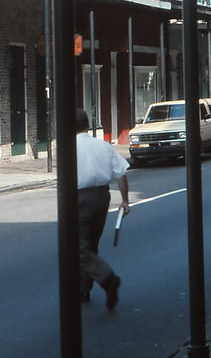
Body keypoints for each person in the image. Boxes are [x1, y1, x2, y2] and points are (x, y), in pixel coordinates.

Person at [75, 108, 130, 309]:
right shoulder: (103, 146)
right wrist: (124, 200)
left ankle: (107, 278)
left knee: (77, 247)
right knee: (90, 244)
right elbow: (121, 174)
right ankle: (83, 289)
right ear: (87, 125)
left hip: (79, 197)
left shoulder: (68, 147)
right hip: (101, 196)